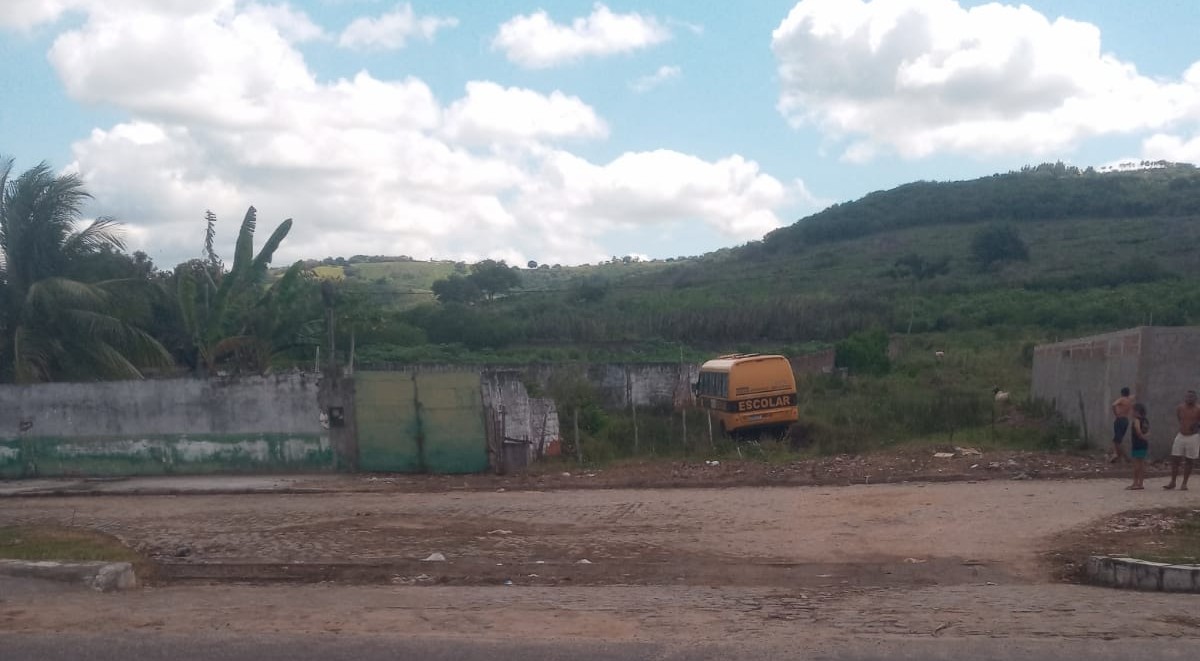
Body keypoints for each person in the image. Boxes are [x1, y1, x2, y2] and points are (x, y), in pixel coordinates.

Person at [1164, 390, 1200, 491]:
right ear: (1185, 398)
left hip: (1193, 437)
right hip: (1181, 435)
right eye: (1188, 397)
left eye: (1192, 397)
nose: (1190, 399)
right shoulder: (1180, 408)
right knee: (1175, 458)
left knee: (1189, 460)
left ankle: (1184, 483)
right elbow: (1179, 418)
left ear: (1195, 398)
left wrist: (1197, 426)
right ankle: (1173, 481)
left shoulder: (1198, 409)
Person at [1127, 403, 1150, 490]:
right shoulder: (1145, 420)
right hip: (1144, 444)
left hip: (1137, 443)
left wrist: (1141, 437)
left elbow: (1138, 431)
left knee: (1136, 463)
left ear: (1136, 411)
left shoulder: (1136, 420)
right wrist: (1145, 438)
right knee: (1142, 463)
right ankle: (1140, 483)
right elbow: (1148, 432)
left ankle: (1135, 483)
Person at [1110, 387, 1134, 464]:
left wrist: (1116, 413)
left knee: (1117, 441)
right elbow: (1134, 396)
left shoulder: (1122, 399)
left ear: (1122, 393)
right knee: (1118, 440)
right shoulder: (1129, 400)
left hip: (1119, 419)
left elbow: (1113, 404)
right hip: (1126, 420)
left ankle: (1124, 457)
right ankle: (1119, 457)